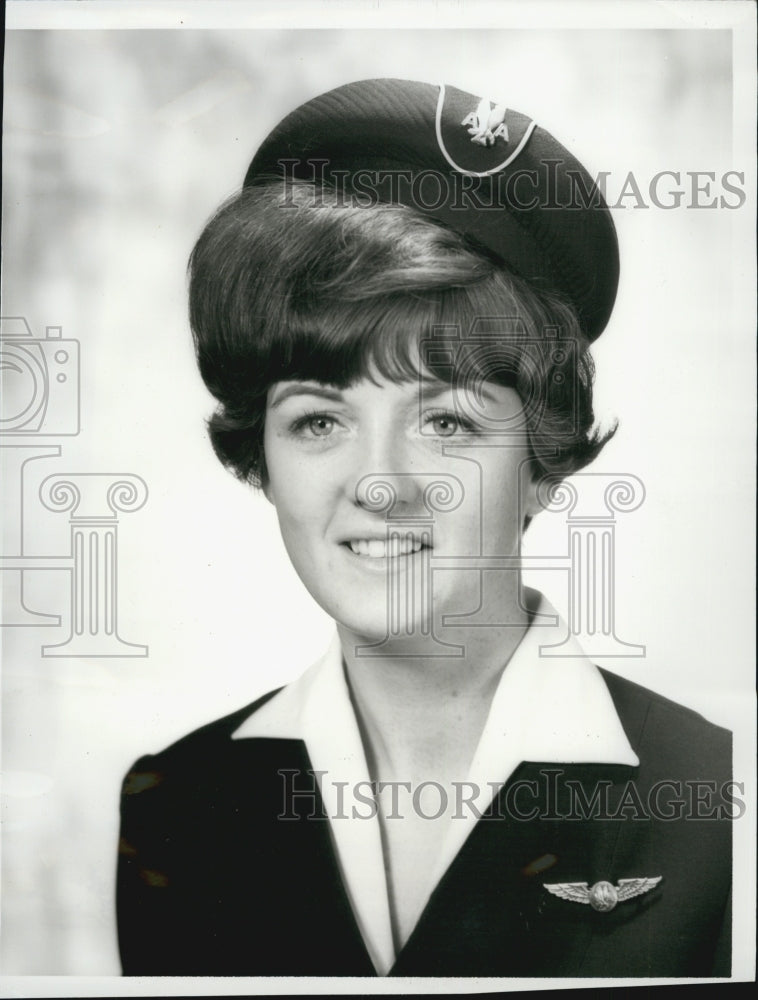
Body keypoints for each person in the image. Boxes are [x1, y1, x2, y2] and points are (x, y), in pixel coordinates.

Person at [116, 78, 732, 978]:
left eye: (446, 422)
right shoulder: (177, 804)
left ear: (541, 464)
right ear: (263, 458)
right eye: (318, 421)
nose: (379, 486)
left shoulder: (718, 802)